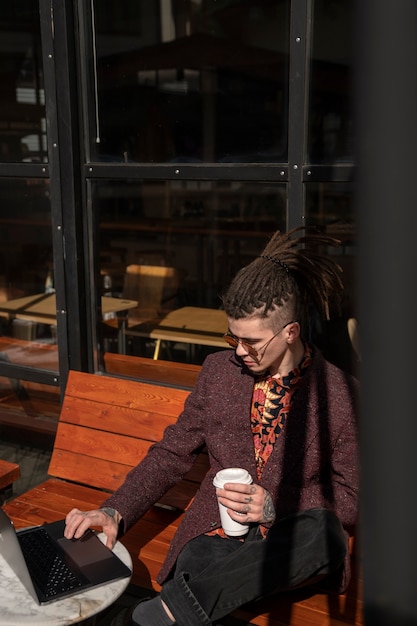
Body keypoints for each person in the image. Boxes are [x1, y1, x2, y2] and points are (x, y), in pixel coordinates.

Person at [64, 228, 359, 626]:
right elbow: (171, 454)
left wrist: (273, 506)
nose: (239, 351)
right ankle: (175, 610)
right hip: (217, 536)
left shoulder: (340, 394)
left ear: (290, 332)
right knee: (204, 586)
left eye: (251, 341)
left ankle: (159, 612)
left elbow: (353, 497)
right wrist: (115, 511)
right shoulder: (219, 373)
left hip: (291, 540)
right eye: (232, 337)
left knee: (326, 533)